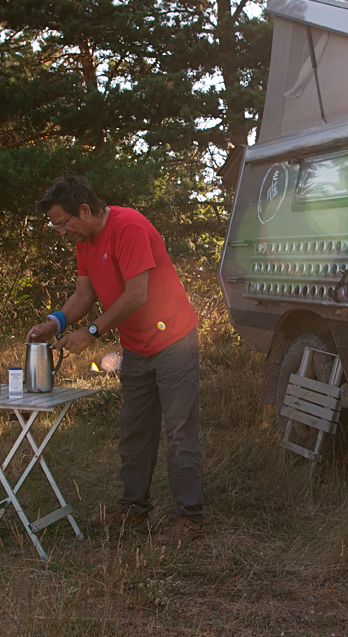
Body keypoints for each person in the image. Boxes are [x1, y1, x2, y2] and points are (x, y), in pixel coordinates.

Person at [26, 175, 204, 543]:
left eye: (63, 223)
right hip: (137, 347)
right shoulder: (84, 240)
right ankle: (134, 508)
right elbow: (83, 293)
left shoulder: (129, 226)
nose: (61, 232)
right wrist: (54, 322)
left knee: (179, 429)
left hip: (174, 341)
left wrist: (91, 333)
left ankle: (190, 516)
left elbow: (137, 294)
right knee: (134, 429)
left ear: (85, 210)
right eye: (57, 226)